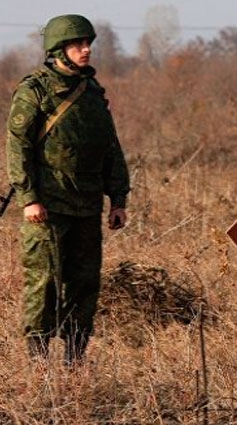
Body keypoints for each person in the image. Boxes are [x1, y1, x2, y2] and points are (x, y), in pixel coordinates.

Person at [5, 14, 130, 365]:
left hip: (87, 206)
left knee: (84, 285)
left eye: (88, 43)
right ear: (58, 50)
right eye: (77, 44)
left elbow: (110, 148)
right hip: (46, 207)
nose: (86, 49)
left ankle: (74, 360)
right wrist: (29, 198)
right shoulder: (36, 90)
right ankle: (39, 364)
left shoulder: (92, 92)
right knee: (43, 284)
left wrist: (118, 199)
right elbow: (18, 147)